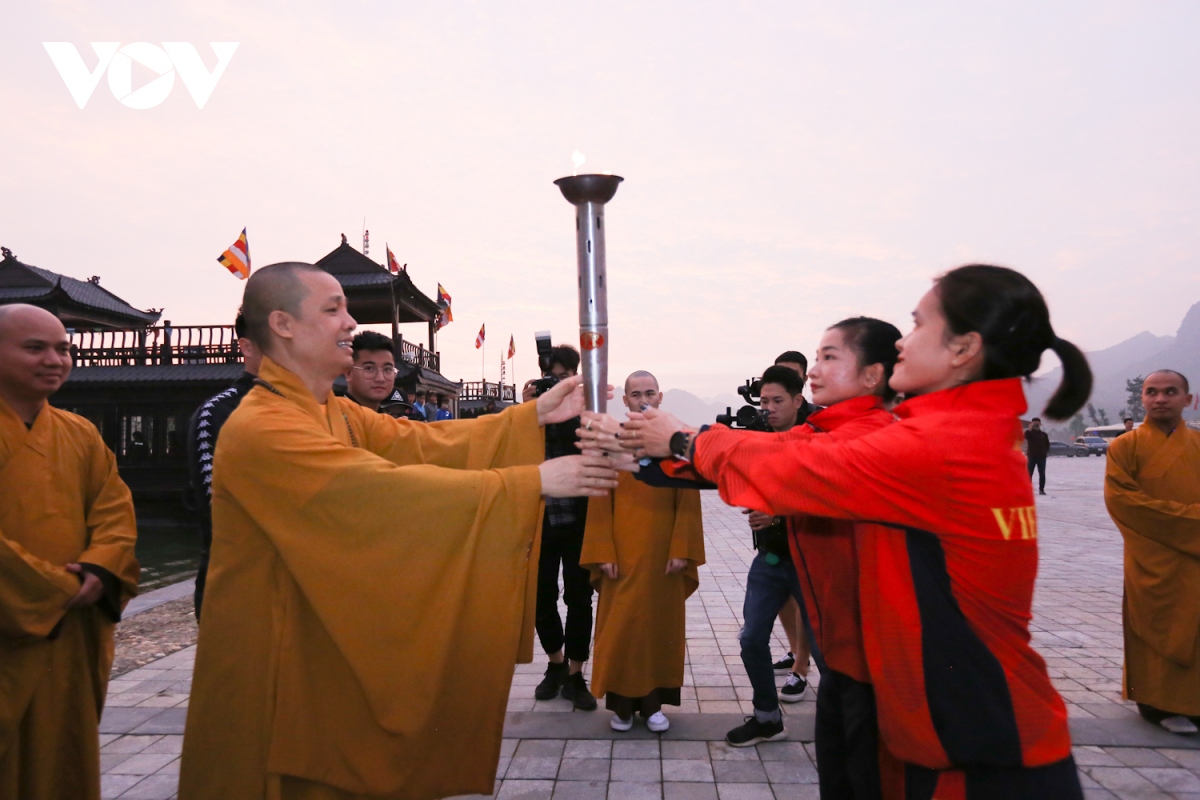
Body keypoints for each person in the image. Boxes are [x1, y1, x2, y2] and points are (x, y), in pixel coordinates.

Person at [613, 264, 1091, 798]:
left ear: (963, 349)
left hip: (983, 749)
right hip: (958, 726)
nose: (901, 343)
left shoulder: (942, 445)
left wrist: (684, 440)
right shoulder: (952, 433)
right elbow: (797, 452)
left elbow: (799, 468)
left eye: (917, 325)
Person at [178, 263, 619, 800]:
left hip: (317, 649)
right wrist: (531, 482)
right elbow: (377, 494)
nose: (350, 322)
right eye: (333, 308)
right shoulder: (262, 427)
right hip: (271, 661)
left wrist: (528, 419)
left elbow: (424, 446)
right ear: (284, 324)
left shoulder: (335, 411)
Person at [0, 304, 140, 799]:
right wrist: (58, 587)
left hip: (72, 633)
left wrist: (102, 567)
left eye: (64, 349)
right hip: (17, 630)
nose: (55, 360)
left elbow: (115, 512)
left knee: (64, 758)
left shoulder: (79, 434)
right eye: (34, 348)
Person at [581, 370, 705, 732]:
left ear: (661, 397)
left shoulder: (675, 442)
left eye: (650, 393)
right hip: (620, 555)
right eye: (636, 394)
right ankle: (621, 706)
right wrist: (602, 550)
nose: (643, 399)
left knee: (658, 630)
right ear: (625, 401)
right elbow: (599, 495)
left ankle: (653, 706)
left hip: (662, 556)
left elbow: (689, 499)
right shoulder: (613, 442)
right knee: (621, 630)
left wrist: (682, 547)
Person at [1105, 369, 1200, 735]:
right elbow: (1124, 503)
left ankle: (1192, 703)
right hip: (1151, 555)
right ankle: (1156, 704)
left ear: (1188, 399)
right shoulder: (1124, 446)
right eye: (1152, 392)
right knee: (1156, 623)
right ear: (1142, 398)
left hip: (1192, 557)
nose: (1160, 398)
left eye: (1170, 392)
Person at [732, 364, 817, 740]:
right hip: (770, 559)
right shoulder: (759, 437)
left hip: (812, 560)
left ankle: (847, 725)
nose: (768, 408)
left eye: (777, 400)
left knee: (827, 650)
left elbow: (824, 497)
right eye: (763, 400)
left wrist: (777, 516)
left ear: (798, 400)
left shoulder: (818, 439)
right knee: (751, 638)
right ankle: (767, 717)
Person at [524, 344, 598, 710]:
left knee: (579, 597)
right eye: (554, 376)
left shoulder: (584, 412)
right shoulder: (531, 413)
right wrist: (526, 411)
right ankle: (554, 665)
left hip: (578, 521)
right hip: (539, 522)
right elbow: (514, 452)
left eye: (567, 376)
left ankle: (575, 673)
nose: (561, 383)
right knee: (541, 598)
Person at [186, 311, 263, 619]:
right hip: (237, 583)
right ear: (246, 346)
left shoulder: (312, 409)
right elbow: (217, 509)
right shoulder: (218, 412)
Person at [763, 352, 816, 692]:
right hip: (771, 534)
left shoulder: (815, 423)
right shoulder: (765, 421)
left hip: (807, 533)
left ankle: (802, 664)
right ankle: (796, 650)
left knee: (804, 599)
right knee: (783, 596)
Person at [344, 330, 398, 412]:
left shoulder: (389, 422)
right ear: (348, 373)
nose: (380, 379)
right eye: (369, 369)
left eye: (387, 369)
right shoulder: (330, 418)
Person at [1025, 417, 1050, 495]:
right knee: (1029, 473)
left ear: (1040, 424)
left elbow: (1047, 445)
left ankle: (1041, 490)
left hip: (1042, 457)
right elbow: (1025, 436)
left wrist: (1046, 452)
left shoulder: (1044, 434)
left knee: (1042, 474)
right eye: (1034, 423)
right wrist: (1029, 428)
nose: (1036, 424)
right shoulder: (1029, 433)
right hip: (1031, 456)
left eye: (1037, 422)